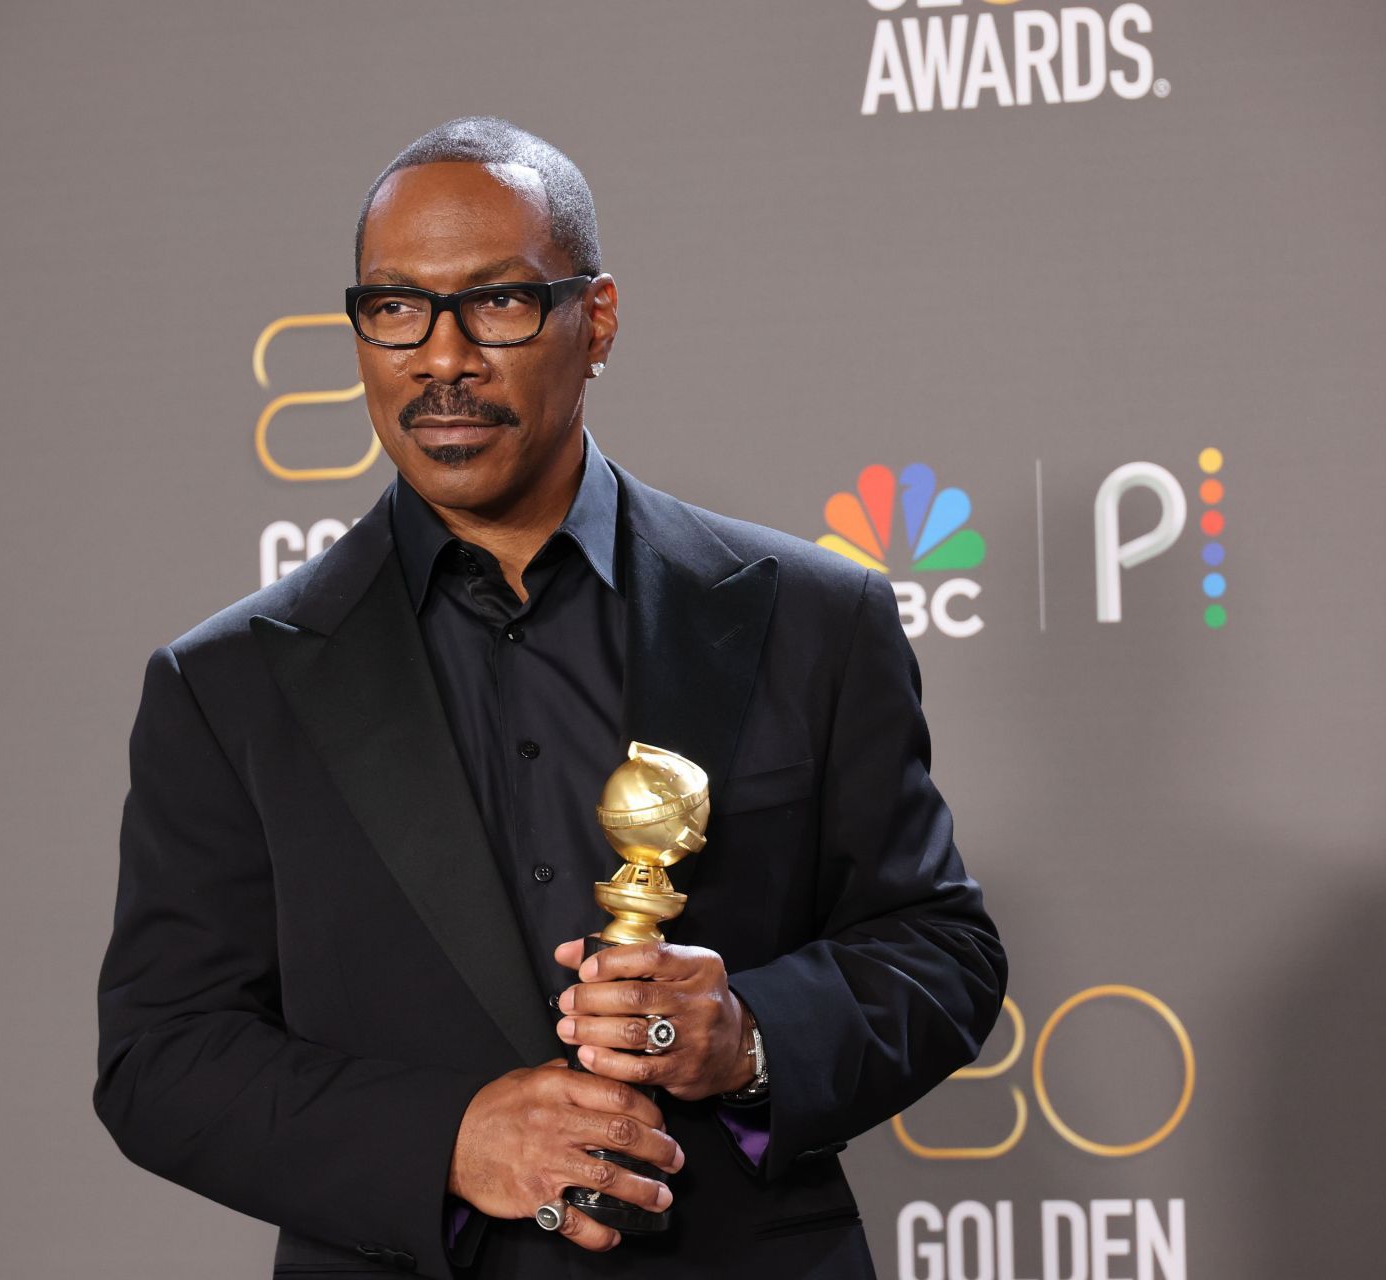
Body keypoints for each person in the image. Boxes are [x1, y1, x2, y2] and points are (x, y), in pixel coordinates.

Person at [93, 116, 1006, 1279]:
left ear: (598, 319)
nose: (442, 356)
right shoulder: (226, 684)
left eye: (499, 304)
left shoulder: (811, 617)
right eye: (395, 307)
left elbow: (940, 949)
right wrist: (452, 1137)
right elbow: (162, 1058)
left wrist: (747, 1033)